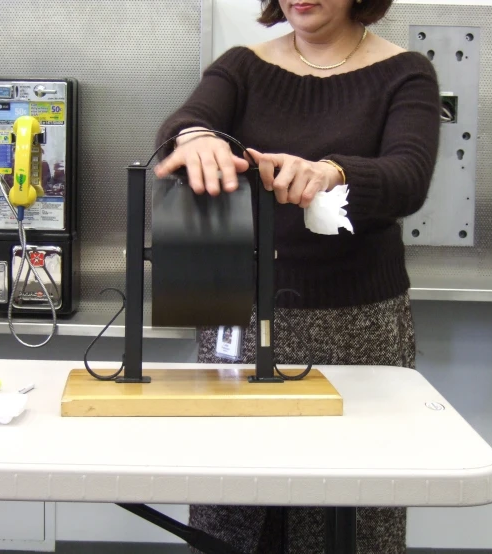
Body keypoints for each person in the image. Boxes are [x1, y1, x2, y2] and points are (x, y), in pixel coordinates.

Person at [154, 0, 440, 552]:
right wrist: (195, 138)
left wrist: (333, 171)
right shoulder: (241, 66)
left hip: (358, 328)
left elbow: (409, 177)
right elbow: (182, 124)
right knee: (232, 512)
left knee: (350, 517)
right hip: (238, 318)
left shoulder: (406, 73)